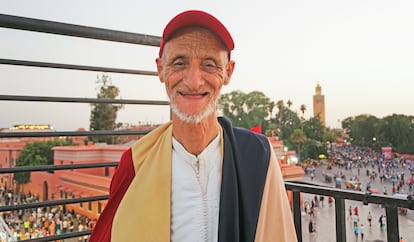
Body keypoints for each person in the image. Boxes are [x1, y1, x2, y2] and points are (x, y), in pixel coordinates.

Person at [89, 10, 298, 242]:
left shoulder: (258, 156)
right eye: (179, 63)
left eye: (209, 65)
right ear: (160, 69)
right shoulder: (136, 164)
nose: (193, 81)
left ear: (228, 72)